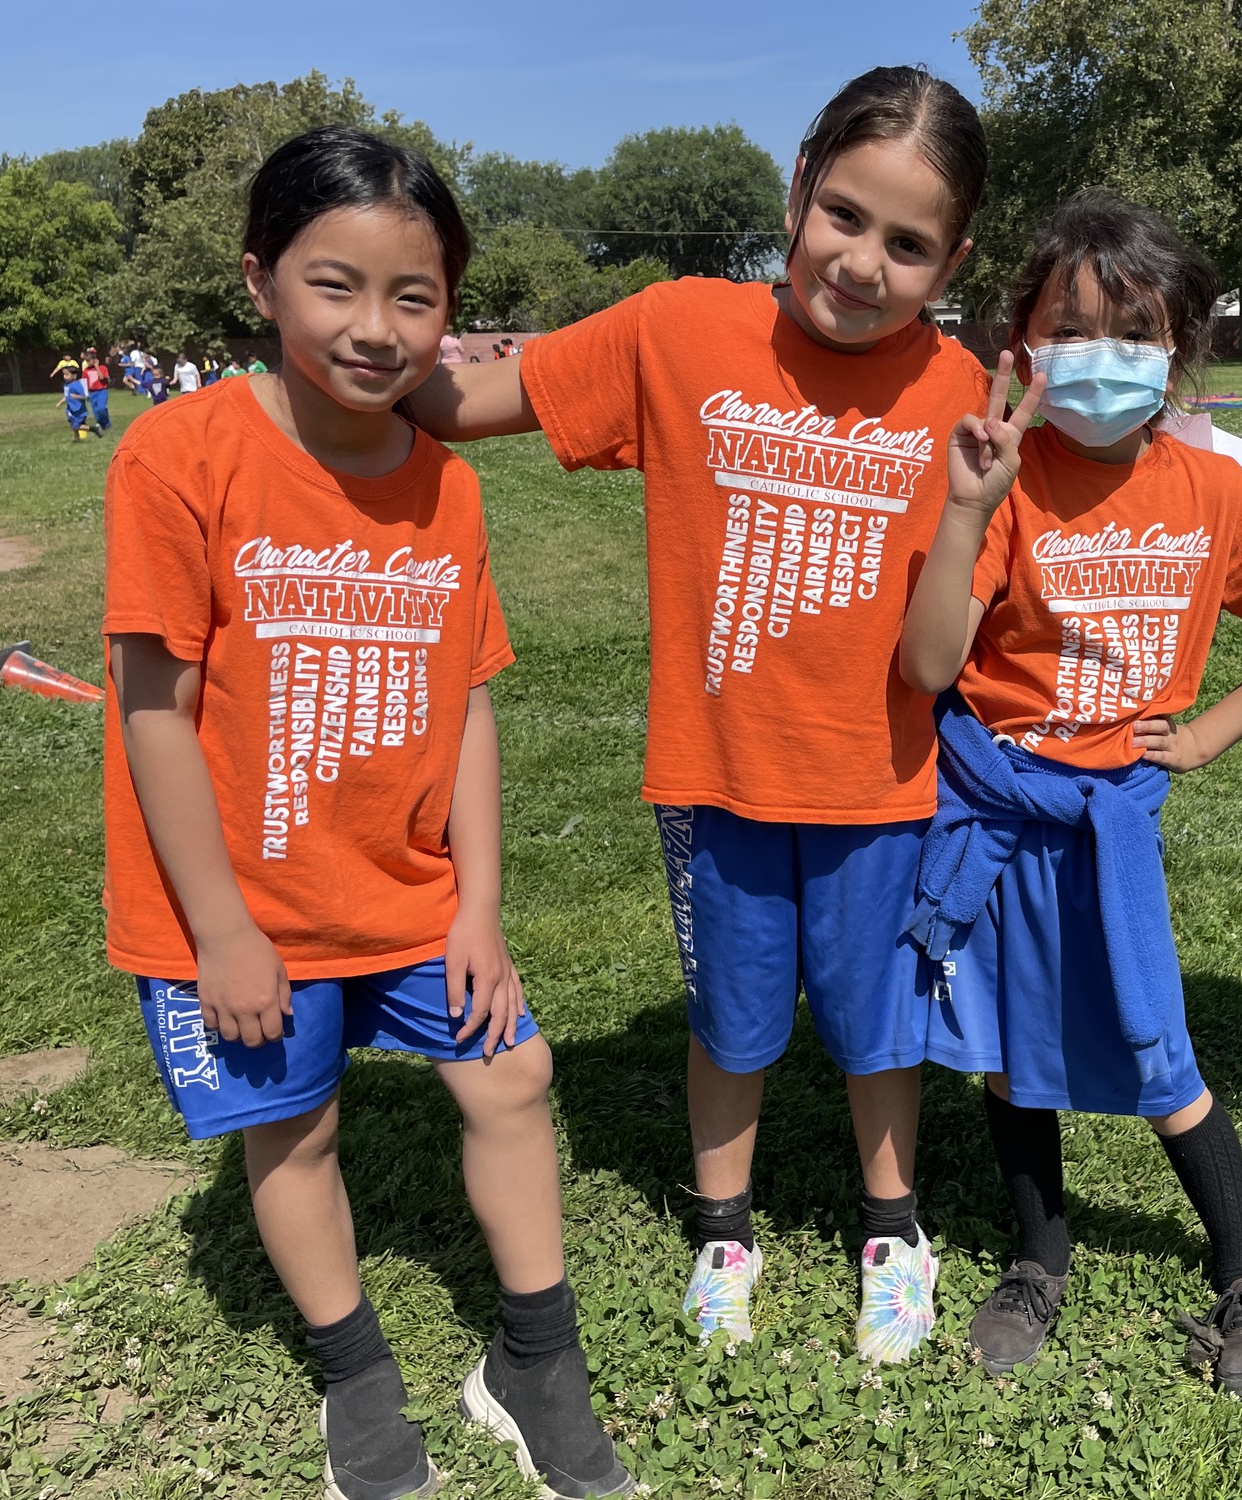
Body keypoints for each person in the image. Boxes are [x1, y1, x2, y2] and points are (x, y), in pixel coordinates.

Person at [405, 66, 995, 1366]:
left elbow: (948, 638)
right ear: (797, 190)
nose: (861, 262)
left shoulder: (960, 393)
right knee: (729, 1025)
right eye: (843, 215)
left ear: (953, 259)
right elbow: (477, 398)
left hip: (879, 785)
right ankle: (724, 1232)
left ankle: (893, 1232)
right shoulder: (676, 331)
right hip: (716, 777)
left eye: (908, 244)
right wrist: (328, 380)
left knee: (875, 1029)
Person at [102, 127, 635, 1500]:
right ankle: (356, 1378)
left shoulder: (446, 483)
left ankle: (535, 1363)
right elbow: (151, 709)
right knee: (297, 1130)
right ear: (261, 281)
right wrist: (219, 932)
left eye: (416, 296)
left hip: (402, 888)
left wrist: (478, 910)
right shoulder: (176, 455)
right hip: (232, 907)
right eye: (334, 285)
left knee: (512, 1072)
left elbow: (465, 703)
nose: (376, 327)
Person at [899, 191, 1242, 1395]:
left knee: (1156, 1047)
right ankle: (1039, 1256)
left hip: (1109, 820)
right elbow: (931, 665)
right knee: (1004, 1047)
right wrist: (963, 510)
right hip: (993, 809)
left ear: (1178, 349)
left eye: (1132, 333)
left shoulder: (1210, 492)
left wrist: (1199, 741)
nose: (1100, 361)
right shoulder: (1007, 481)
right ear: (1023, 348)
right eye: (1071, 331)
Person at [58, 368, 98, 440]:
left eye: (67, 374)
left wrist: (76, 396)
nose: (64, 376)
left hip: (78, 410)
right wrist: (60, 402)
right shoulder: (66, 385)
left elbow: (85, 397)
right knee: (73, 424)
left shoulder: (77, 385)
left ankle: (94, 429)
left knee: (76, 426)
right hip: (70, 409)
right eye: (64, 374)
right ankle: (77, 439)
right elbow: (67, 396)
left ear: (74, 376)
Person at [82, 349, 113, 432]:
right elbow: (84, 382)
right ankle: (101, 424)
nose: (88, 363)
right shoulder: (86, 371)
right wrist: (86, 393)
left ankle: (106, 423)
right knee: (95, 410)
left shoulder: (102, 368)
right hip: (92, 392)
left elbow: (102, 377)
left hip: (101, 391)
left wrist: (96, 367)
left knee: (101, 408)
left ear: (95, 360)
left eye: (89, 361)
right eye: (86, 361)